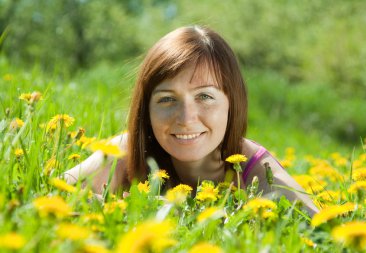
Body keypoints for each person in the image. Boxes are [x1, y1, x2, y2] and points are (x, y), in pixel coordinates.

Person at [64, 25, 319, 216]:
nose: (186, 119)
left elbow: (321, 231)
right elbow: (54, 192)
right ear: (146, 108)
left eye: (205, 96)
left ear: (232, 103)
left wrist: (174, 213)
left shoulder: (255, 171)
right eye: (166, 99)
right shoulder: (127, 151)